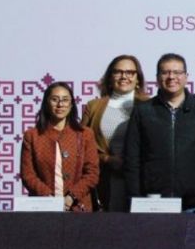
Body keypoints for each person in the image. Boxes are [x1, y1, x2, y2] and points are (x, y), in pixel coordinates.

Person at [123, 53, 195, 211]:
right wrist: (134, 198)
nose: (171, 77)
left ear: (186, 76)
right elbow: (132, 159)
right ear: (157, 77)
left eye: (177, 72)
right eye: (165, 72)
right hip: (152, 203)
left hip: (194, 204)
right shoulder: (143, 111)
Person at [81, 54, 151, 211]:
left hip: (139, 180)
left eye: (130, 72)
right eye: (118, 72)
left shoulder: (150, 106)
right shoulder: (93, 106)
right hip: (103, 178)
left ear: (138, 78)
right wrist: (107, 159)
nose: (124, 76)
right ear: (110, 77)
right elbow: (81, 146)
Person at [21, 82, 99, 211]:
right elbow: (28, 175)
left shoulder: (85, 134)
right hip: (44, 208)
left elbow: (92, 173)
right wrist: (50, 199)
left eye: (65, 100)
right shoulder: (32, 136)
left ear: (71, 104)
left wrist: (71, 197)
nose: (60, 104)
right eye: (54, 99)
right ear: (46, 103)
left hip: (79, 208)